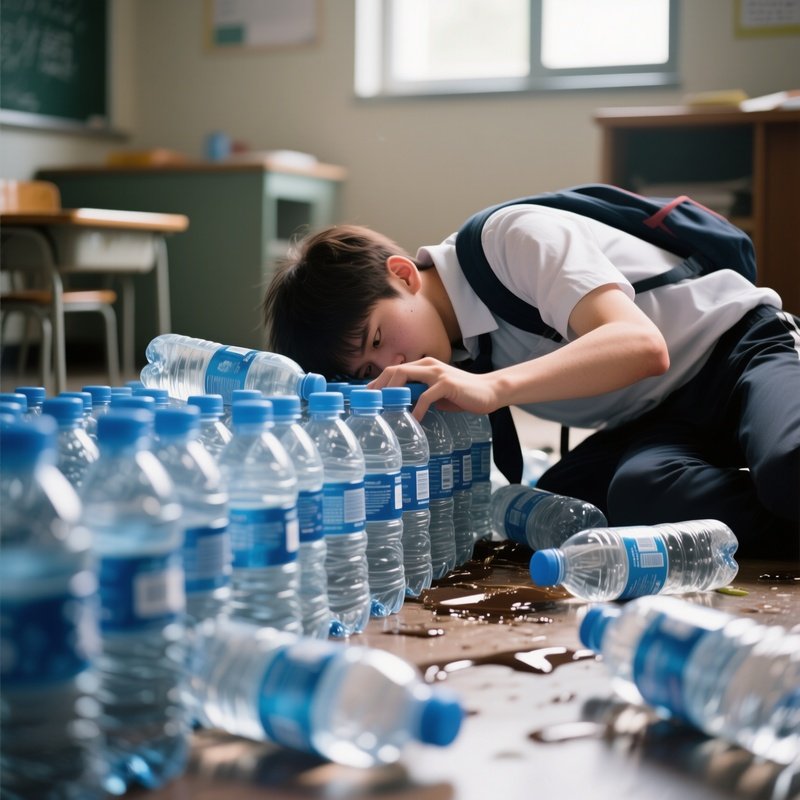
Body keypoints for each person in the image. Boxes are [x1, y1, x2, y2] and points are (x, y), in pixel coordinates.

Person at [262, 206, 800, 560]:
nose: (391, 362)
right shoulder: (453, 357)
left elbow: (641, 346)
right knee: (609, 506)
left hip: (740, 349)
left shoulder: (511, 240)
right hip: (656, 416)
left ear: (402, 275)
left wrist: (495, 388)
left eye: (378, 337)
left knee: (787, 468)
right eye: (365, 369)